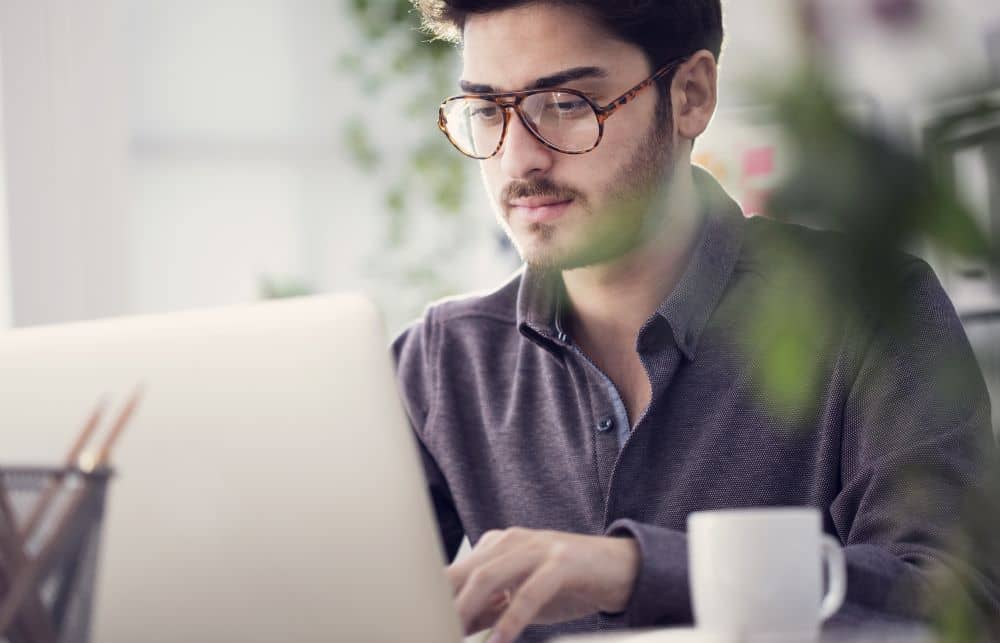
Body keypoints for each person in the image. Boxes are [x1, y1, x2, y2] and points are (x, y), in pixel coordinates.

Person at [391, 2, 999, 642]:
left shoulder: (870, 310)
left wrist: (640, 571)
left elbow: (958, 599)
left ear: (690, 95)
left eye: (567, 103)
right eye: (488, 110)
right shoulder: (439, 362)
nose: (518, 161)